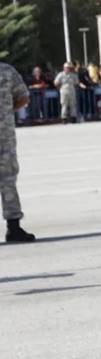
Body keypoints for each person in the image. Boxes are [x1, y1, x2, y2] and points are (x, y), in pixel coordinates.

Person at [1, 62, 36, 243]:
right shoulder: (7, 71)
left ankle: (14, 227)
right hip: (4, 135)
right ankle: (13, 227)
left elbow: (23, 98)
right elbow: (22, 98)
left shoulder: (7, 71)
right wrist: (6, 113)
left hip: (4, 137)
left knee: (8, 179)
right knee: (7, 179)